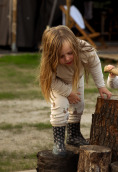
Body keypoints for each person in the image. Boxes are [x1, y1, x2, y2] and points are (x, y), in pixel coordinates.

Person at [39, 25, 112, 156]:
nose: (67, 58)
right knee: (60, 107)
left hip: (76, 78)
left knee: (79, 105)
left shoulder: (85, 49)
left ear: (75, 46)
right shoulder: (49, 61)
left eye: (70, 53)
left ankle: (73, 135)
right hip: (57, 83)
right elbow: (50, 80)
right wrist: (67, 93)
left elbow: (94, 64)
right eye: (61, 56)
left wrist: (101, 86)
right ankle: (59, 142)